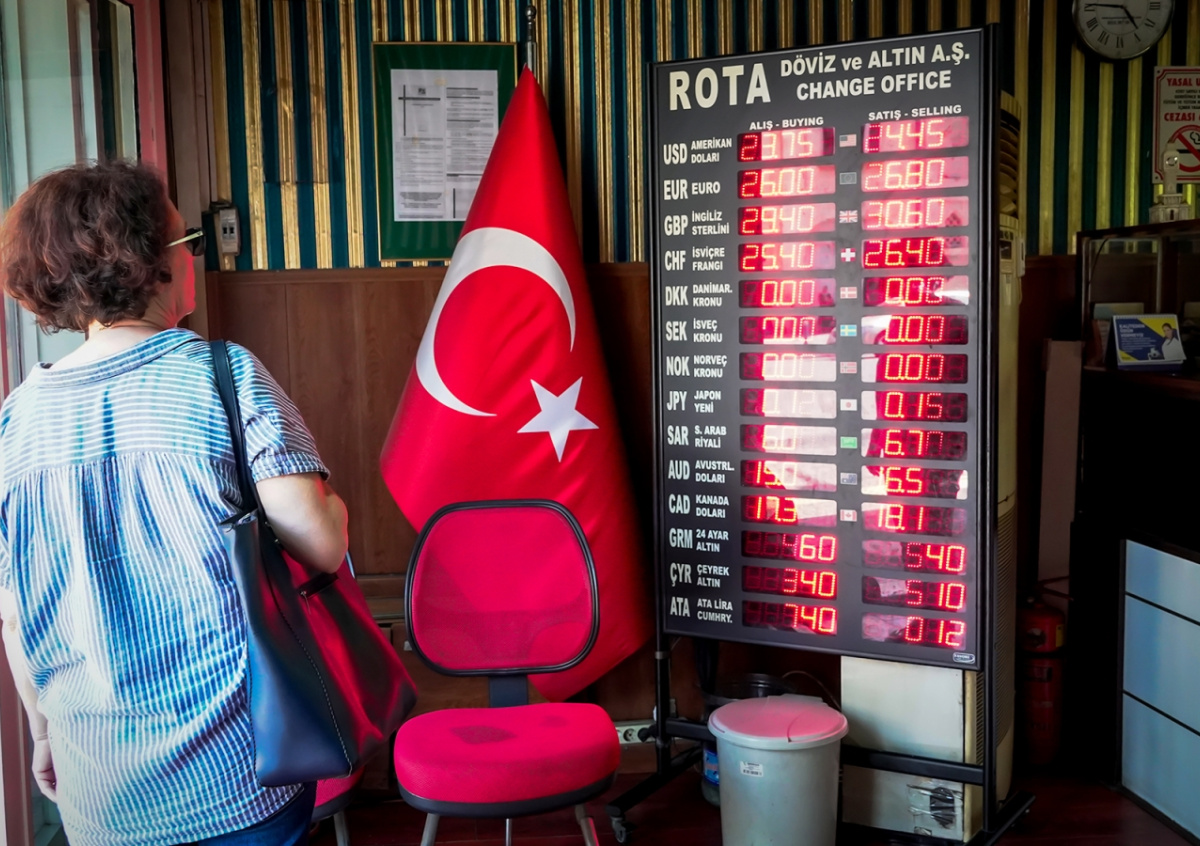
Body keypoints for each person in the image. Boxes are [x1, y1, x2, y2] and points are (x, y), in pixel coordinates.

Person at [0, 160, 349, 846]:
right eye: (189, 240)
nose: (194, 256)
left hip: (96, 781)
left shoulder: (15, 423)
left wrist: (42, 733)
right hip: (238, 770)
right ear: (153, 262)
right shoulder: (222, 377)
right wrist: (331, 505)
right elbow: (322, 542)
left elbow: (15, 610)